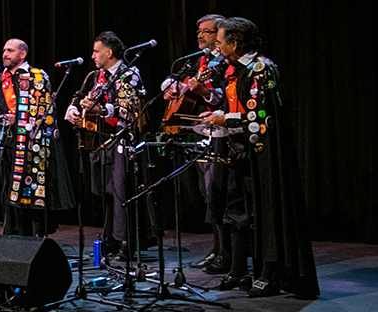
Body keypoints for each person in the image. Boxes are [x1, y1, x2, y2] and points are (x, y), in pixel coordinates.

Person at [198, 17, 318, 298]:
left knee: (267, 212)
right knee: (236, 211)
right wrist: (218, 118)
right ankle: (239, 271)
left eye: (220, 41)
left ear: (235, 43)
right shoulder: (235, 70)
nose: (217, 45)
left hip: (263, 156)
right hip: (238, 151)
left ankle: (269, 274)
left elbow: (262, 116)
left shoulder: (261, 70)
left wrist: (225, 119)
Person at [64, 32, 153, 261]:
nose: (93, 55)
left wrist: (102, 110)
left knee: (122, 191)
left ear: (109, 52)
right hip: (99, 141)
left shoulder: (129, 74)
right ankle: (111, 238)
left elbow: (130, 108)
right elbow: (78, 96)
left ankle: (127, 242)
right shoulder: (96, 76)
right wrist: (74, 110)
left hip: (122, 140)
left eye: (96, 51)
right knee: (105, 192)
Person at [159, 14, 235, 271]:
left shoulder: (225, 63)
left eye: (206, 31)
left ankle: (228, 254)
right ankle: (217, 250)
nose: (200, 35)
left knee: (219, 194)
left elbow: (224, 99)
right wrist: (171, 87)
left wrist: (204, 92)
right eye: (198, 31)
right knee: (208, 194)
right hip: (200, 133)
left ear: (219, 34)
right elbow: (172, 80)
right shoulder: (199, 60)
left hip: (223, 135)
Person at [0, 39, 75, 237]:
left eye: (9, 50)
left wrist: (18, 118)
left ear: (22, 54)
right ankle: (13, 235)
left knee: (31, 189)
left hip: (32, 142)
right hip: (6, 141)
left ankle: (36, 236)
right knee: (9, 189)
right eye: (3, 50)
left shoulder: (38, 76)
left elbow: (46, 110)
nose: (4, 54)